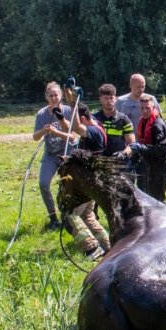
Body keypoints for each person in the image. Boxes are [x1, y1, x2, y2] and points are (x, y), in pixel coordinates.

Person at [56, 103, 112, 260]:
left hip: (85, 184)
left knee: (70, 215)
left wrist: (73, 103)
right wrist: (63, 114)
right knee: (87, 215)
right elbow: (71, 127)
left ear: (82, 118)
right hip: (91, 182)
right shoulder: (95, 124)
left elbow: (75, 126)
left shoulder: (93, 131)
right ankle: (108, 246)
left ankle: (91, 249)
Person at [32, 82, 77, 230]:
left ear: (61, 96)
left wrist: (57, 132)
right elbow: (35, 137)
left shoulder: (68, 111)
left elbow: (73, 137)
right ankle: (53, 218)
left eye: (56, 95)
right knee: (43, 183)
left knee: (68, 186)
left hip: (67, 154)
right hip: (50, 155)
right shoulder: (42, 114)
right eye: (50, 95)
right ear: (46, 97)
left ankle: (70, 218)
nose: (53, 98)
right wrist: (44, 131)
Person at [134, 94, 166, 202]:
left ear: (153, 107)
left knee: (158, 200)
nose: (144, 111)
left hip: (160, 168)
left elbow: (162, 149)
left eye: (147, 108)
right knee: (149, 198)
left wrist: (141, 148)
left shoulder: (158, 124)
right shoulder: (144, 121)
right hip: (149, 166)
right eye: (142, 108)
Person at [93, 83, 135, 158]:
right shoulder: (94, 119)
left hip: (117, 163)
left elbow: (132, 144)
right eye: (106, 98)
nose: (109, 101)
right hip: (98, 162)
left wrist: (123, 153)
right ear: (100, 99)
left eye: (111, 98)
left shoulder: (124, 119)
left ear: (115, 99)